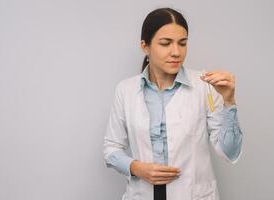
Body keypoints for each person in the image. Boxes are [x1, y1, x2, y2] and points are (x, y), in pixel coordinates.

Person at [103, 7, 242, 200]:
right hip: (142, 193)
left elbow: (229, 153)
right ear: (145, 46)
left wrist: (229, 102)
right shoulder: (125, 90)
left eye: (182, 43)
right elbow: (111, 148)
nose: (176, 52)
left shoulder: (205, 86)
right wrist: (136, 168)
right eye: (165, 43)